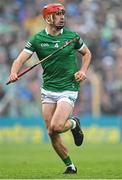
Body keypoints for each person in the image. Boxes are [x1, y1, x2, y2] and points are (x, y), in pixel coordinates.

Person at [8, 3, 92, 174]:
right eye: (58, 14)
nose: (62, 17)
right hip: (48, 89)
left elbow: (87, 54)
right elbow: (19, 59)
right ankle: (70, 166)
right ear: (48, 18)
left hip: (68, 87)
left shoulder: (72, 37)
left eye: (63, 13)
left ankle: (74, 123)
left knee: (57, 126)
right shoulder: (37, 39)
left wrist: (83, 71)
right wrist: (13, 73)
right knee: (51, 131)